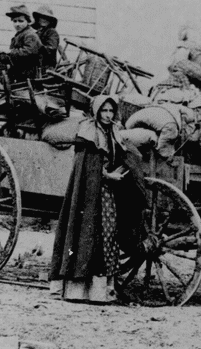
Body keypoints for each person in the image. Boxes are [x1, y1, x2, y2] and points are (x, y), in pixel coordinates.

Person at [49, 95, 146, 304]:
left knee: (108, 235)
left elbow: (120, 156)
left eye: (111, 111)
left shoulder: (114, 132)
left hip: (108, 193)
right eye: (104, 111)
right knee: (87, 235)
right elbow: (86, 167)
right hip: (88, 196)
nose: (108, 115)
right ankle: (78, 291)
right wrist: (106, 175)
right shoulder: (87, 133)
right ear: (96, 112)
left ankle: (102, 291)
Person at [0, 5, 42, 84]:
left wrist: (10, 52)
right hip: (21, 69)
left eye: (21, 21)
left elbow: (29, 51)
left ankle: (7, 83)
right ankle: (5, 82)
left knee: (3, 56)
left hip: (29, 72)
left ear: (27, 21)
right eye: (15, 21)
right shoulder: (20, 34)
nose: (17, 24)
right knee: (1, 55)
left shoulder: (30, 34)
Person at [32, 5, 60, 73]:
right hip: (36, 66)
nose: (44, 20)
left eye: (47, 18)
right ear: (37, 19)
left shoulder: (52, 32)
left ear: (50, 20)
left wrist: (36, 47)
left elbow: (51, 49)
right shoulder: (36, 33)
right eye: (41, 17)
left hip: (46, 68)